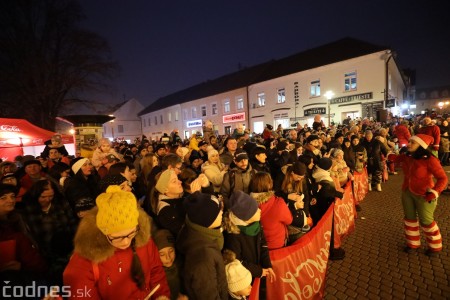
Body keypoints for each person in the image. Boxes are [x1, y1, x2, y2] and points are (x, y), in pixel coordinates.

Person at [63, 185, 170, 299]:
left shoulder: (142, 239)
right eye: (117, 237)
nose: (126, 242)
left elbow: (156, 271)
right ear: (103, 232)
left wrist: (161, 296)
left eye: (131, 233)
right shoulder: (84, 261)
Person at [396, 134, 447, 256]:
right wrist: (394, 158)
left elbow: (443, 178)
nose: (409, 144)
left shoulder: (430, 160)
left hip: (424, 194)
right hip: (407, 192)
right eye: (409, 141)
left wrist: (435, 192)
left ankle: (435, 246)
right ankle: (413, 243)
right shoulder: (409, 156)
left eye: (413, 143)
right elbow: (400, 159)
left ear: (421, 146)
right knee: (409, 219)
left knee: (426, 221)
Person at [20, 179, 78, 284]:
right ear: (35, 195)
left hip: (68, 249)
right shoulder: (28, 210)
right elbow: (30, 234)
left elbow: (72, 223)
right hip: (45, 254)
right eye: (43, 197)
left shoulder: (61, 203)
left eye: (51, 196)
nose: (47, 199)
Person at [176, 191, 228, 299]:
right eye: (218, 211)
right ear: (206, 219)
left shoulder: (198, 234)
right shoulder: (203, 257)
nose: (221, 212)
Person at [0, 184, 48, 289]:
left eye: (12, 196)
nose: (10, 200)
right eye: (3, 198)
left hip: (31, 271)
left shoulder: (18, 218)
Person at [249, 172, 292, 250]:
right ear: (269, 185)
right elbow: (289, 220)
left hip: (257, 246)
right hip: (276, 244)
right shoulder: (278, 202)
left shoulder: (247, 204)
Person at [153, 229, 187, 300]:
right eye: (162, 254)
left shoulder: (182, 265)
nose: (168, 257)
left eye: (171, 251)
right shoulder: (154, 276)